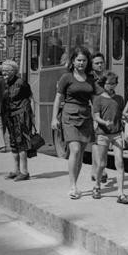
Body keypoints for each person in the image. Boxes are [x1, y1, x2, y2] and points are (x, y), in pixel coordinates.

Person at [51, 46, 100, 199]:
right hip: (69, 115)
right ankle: (72, 186)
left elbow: (95, 101)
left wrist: (96, 119)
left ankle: (75, 183)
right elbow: (58, 99)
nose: (81, 63)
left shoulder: (91, 79)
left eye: (84, 60)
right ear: (73, 61)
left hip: (85, 116)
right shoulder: (66, 77)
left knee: (81, 154)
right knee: (76, 150)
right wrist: (54, 118)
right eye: (78, 60)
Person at [91, 71, 128, 204]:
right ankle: (97, 186)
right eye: (109, 84)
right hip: (102, 134)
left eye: (114, 83)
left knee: (120, 163)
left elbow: (121, 115)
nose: (112, 86)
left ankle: (120, 193)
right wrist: (104, 122)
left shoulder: (119, 99)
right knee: (102, 163)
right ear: (104, 84)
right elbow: (96, 116)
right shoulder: (98, 99)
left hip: (116, 134)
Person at [1, 60, 34, 181]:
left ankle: (25, 172)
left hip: (20, 116)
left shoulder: (21, 83)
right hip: (10, 116)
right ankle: (16, 170)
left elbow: (30, 98)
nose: (4, 72)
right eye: (3, 70)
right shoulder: (6, 83)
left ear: (13, 71)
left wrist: (28, 116)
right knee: (13, 143)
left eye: (7, 70)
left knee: (21, 143)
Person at [90, 52, 108, 184]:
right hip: (95, 112)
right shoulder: (91, 79)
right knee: (97, 141)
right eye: (97, 63)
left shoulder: (108, 76)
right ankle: (103, 170)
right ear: (92, 65)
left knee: (100, 141)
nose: (100, 65)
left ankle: (93, 170)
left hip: (106, 112)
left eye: (101, 62)